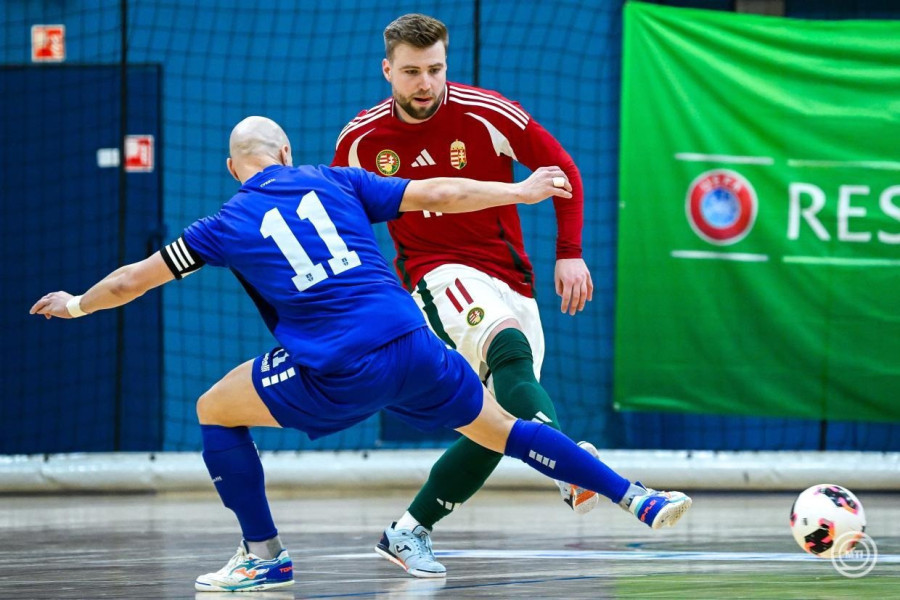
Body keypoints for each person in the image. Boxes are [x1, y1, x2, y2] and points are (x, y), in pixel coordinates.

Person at [31, 116, 691, 592]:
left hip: (338, 368)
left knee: (214, 408)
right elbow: (440, 193)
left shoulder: (223, 224)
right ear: (286, 152)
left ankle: (263, 556)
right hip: (414, 346)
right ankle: (636, 495)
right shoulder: (337, 180)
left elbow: (130, 281)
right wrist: (520, 193)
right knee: (502, 431)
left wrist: (76, 303)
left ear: (236, 168)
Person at [331, 13, 621, 577]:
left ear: (446, 65)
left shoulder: (487, 112)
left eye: (434, 69)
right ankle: (569, 466)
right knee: (506, 349)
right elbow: (344, 220)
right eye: (411, 72)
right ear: (387, 70)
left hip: (510, 276)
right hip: (434, 273)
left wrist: (570, 250)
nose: (425, 83)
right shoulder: (361, 140)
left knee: (501, 417)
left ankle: (408, 531)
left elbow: (560, 169)